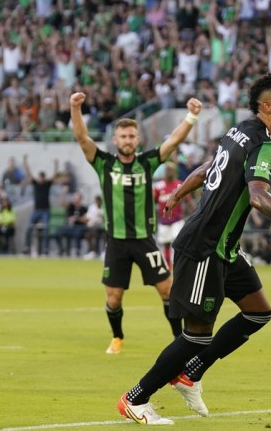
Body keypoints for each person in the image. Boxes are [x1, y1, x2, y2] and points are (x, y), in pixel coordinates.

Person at [117, 72, 271, 425]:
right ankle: (135, 399)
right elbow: (258, 195)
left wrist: (180, 191)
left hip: (226, 248)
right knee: (195, 337)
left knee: (258, 312)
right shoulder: (263, 143)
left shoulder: (241, 130)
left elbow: (208, 167)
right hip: (206, 248)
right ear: (267, 106)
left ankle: (190, 376)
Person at [70, 92, 203, 355]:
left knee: (167, 290)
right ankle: (117, 337)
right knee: (113, 297)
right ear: (115, 140)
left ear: (138, 139)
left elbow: (174, 140)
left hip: (144, 240)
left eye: (132, 136)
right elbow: (82, 138)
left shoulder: (147, 162)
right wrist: (75, 108)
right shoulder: (104, 163)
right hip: (116, 242)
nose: (128, 141)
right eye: (123, 137)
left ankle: (179, 340)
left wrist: (192, 116)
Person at [22, 155, 58, 256]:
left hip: (45, 210)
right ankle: (27, 246)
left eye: (42, 177)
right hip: (36, 210)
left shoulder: (47, 184)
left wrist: (56, 165)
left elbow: (54, 176)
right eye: (40, 177)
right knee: (29, 227)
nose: (41, 179)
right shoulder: (35, 184)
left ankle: (46, 248)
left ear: (44, 177)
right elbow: (29, 174)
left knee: (46, 228)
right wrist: (25, 162)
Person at [153, 163, 185, 269]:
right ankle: (168, 266)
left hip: (177, 220)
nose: (169, 172)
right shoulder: (159, 186)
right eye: (167, 170)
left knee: (177, 243)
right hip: (164, 220)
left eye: (171, 170)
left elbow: (188, 199)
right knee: (166, 243)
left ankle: (177, 264)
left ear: (174, 172)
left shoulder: (179, 185)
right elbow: (153, 200)